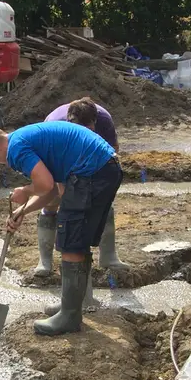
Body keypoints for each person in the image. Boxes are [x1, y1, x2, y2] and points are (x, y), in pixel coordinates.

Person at [0, 120, 123, 336]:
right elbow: (52, 190)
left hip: (92, 172)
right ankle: (71, 306)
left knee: (70, 243)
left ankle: (70, 316)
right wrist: (21, 212)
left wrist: (25, 191)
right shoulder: (23, 138)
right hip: (102, 169)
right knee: (76, 238)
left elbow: (43, 184)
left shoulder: (16, 149)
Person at [31, 98, 127, 279]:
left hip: (91, 162)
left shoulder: (104, 119)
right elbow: (51, 163)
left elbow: (112, 150)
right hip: (57, 160)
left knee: (101, 201)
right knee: (53, 201)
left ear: (95, 123)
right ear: (71, 123)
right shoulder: (55, 125)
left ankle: (108, 256)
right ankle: (45, 261)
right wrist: (63, 188)